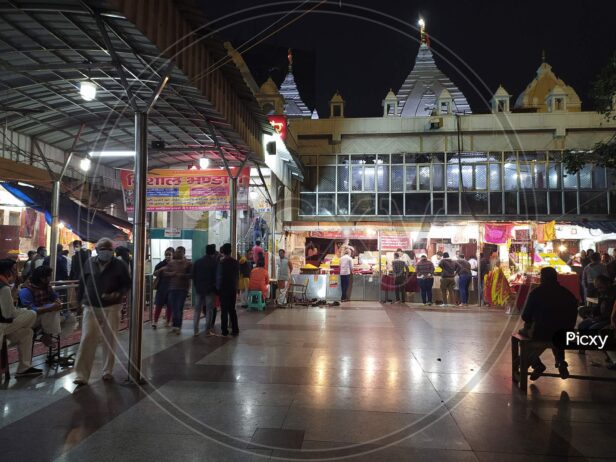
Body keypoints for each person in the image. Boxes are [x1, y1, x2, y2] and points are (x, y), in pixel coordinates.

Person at [73, 238, 131, 385]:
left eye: (109, 249)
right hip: (90, 305)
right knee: (87, 338)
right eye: (103, 249)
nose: (106, 252)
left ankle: (107, 370)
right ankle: (81, 375)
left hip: (112, 306)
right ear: (97, 250)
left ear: (113, 251)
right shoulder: (89, 262)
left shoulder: (120, 265)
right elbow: (82, 283)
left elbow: (127, 284)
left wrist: (117, 293)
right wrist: (78, 301)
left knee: (109, 339)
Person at [520, 267, 578, 380]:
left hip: (541, 333)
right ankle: (561, 362)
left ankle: (537, 364)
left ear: (542, 278)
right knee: (557, 332)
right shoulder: (567, 293)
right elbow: (573, 314)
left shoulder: (536, 293)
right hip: (563, 334)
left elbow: (525, 316)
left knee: (524, 334)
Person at [0, 259, 41, 377]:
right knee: (32, 314)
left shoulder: (5, 285)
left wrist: (16, 287)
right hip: (2, 325)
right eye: (14, 269)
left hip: (5, 324)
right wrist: (23, 312)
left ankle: (24, 368)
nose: (16, 272)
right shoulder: (4, 288)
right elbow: (8, 314)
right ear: (7, 271)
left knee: (27, 333)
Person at [18, 266, 63, 346]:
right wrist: (49, 308)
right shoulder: (26, 290)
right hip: (31, 318)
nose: (50, 278)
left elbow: (54, 296)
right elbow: (29, 310)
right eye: (49, 276)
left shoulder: (46, 286)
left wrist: (57, 301)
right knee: (51, 312)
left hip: (46, 316)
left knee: (70, 319)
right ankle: (46, 335)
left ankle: (47, 333)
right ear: (42, 278)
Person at [163, 246, 192, 335]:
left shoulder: (188, 263)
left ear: (184, 253)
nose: (178, 253)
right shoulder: (171, 263)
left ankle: (178, 326)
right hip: (173, 288)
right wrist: (173, 274)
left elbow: (191, 275)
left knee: (179, 307)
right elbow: (165, 273)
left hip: (183, 289)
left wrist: (182, 275)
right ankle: (175, 325)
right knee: (174, 307)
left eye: (180, 252)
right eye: (177, 251)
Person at [192, 244, 218, 336]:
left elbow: (193, 275)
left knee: (197, 310)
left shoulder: (198, 262)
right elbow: (216, 277)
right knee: (209, 310)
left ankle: (195, 330)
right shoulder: (214, 263)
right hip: (210, 290)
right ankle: (207, 330)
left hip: (199, 289)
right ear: (213, 252)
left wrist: (196, 285)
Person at [216, 243, 239, 336]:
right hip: (232, 288)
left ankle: (224, 330)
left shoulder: (221, 263)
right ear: (231, 251)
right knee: (232, 309)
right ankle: (235, 329)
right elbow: (237, 276)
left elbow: (219, 276)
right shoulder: (235, 262)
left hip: (223, 288)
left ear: (223, 252)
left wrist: (218, 288)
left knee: (224, 310)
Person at [152, 247, 174, 329]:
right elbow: (154, 273)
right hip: (161, 287)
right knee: (159, 305)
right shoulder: (161, 264)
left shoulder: (175, 264)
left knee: (170, 305)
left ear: (173, 255)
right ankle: (155, 321)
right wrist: (161, 269)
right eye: (166, 255)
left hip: (172, 287)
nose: (168, 256)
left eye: (169, 255)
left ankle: (168, 321)